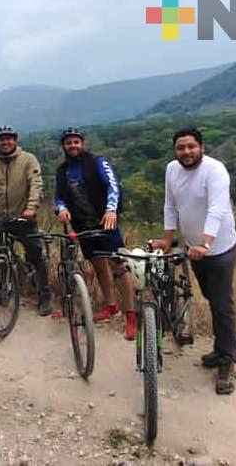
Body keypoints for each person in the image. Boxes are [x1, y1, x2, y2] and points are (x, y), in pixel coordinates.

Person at [151, 128, 236, 395]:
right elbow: (170, 206)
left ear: (201, 146)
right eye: (181, 147)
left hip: (219, 248)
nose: (187, 152)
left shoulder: (215, 170)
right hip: (194, 249)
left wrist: (206, 243)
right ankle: (225, 346)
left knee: (222, 304)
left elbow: (217, 208)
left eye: (191, 147)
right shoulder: (172, 170)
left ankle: (227, 358)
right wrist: (167, 240)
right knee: (212, 298)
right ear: (174, 150)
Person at [54, 127, 137, 340]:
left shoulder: (97, 162)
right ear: (63, 146)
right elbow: (59, 196)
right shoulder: (62, 171)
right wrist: (61, 208)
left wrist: (111, 209)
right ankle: (111, 306)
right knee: (99, 266)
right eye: (68, 142)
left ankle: (131, 315)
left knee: (118, 266)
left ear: (82, 143)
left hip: (105, 222)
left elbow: (113, 186)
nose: (72, 146)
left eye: (76, 142)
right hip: (83, 226)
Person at [0, 125, 51, 316]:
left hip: (24, 218)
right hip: (1, 219)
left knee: (36, 255)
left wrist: (31, 207)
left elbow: (36, 184)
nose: (5, 142)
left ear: (16, 141)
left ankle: (44, 294)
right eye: (1, 139)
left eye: (9, 139)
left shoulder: (28, 160)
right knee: (0, 254)